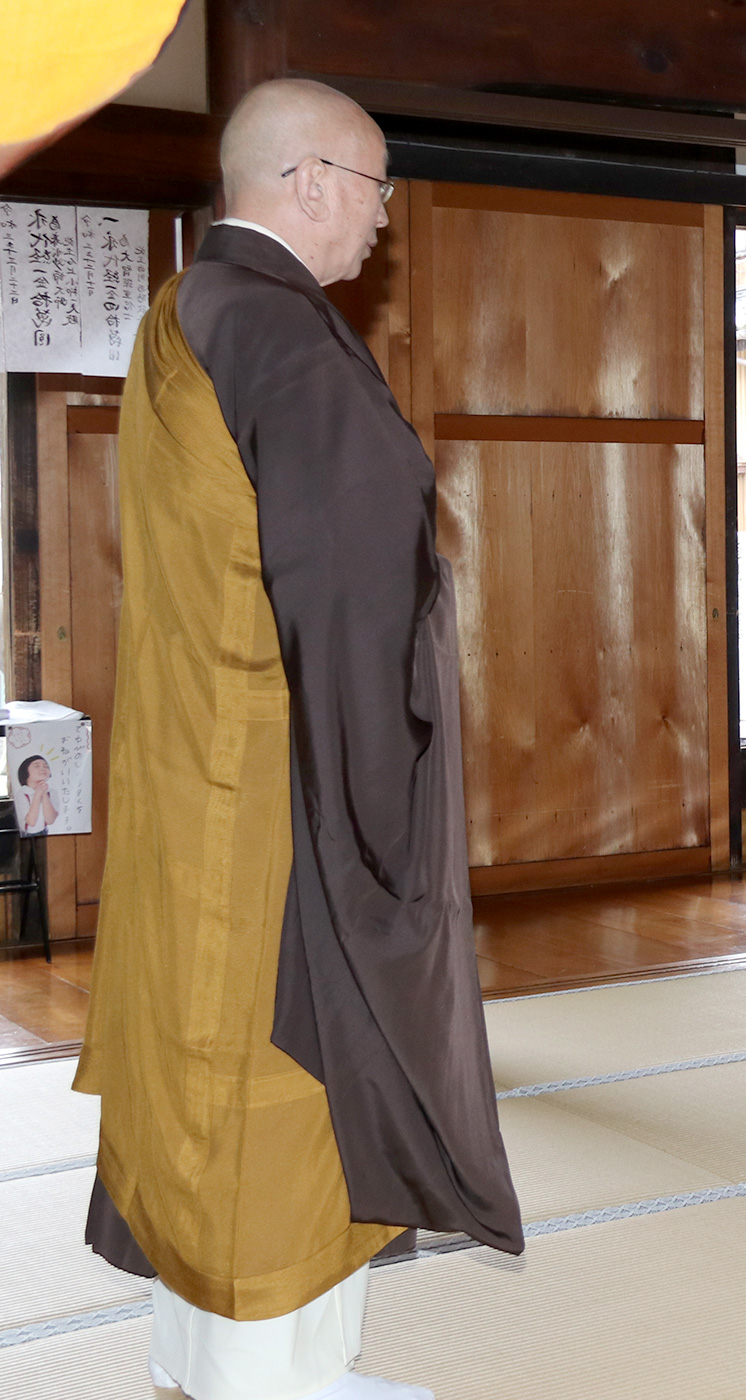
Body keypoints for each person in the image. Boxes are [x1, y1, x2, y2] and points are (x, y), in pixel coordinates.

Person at [74, 79, 521, 1400]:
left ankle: (214, 1360)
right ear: (309, 179)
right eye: (377, 185)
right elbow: (345, 595)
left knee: (202, 1072)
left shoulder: (186, 312)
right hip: (280, 788)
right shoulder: (280, 333)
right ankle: (275, 1379)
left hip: (190, 771)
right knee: (279, 1069)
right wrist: (379, 816)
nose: (386, 218)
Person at [15, 754, 58, 834]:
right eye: (37, 766)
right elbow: (31, 822)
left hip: (44, 832)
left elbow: (50, 820)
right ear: (26, 771)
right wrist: (37, 794)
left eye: (46, 766)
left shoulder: (52, 792)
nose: (43, 769)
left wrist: (44, 794)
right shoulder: (22, 793)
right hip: (27, 834)